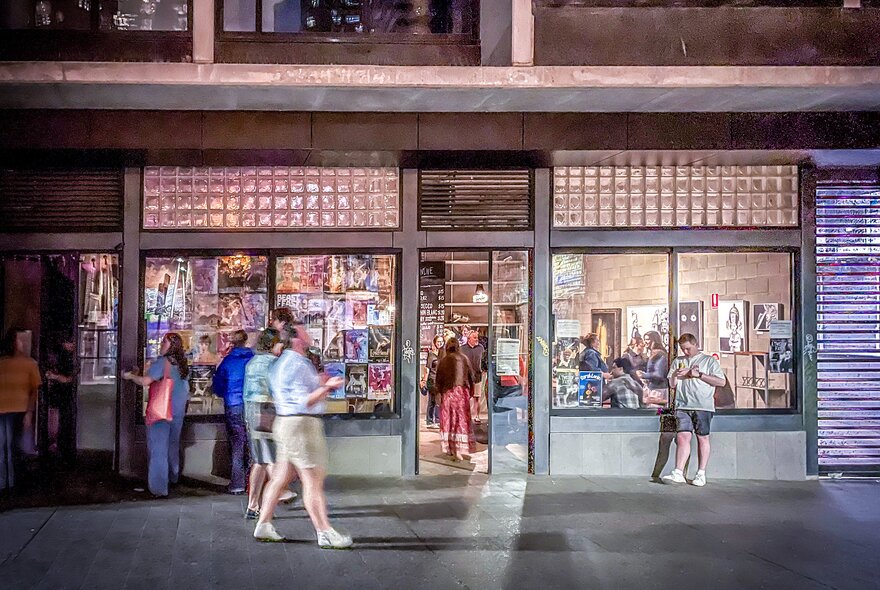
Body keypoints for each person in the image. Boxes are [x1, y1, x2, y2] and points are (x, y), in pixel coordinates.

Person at [255, 324, 349, 548]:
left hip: (286, 423)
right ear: (297, 339)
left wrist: (321, 384)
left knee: (280, 477)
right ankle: (324, 531)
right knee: (312, 481)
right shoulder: (297, 364)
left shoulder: (283, 363)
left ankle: (264, 524)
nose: (309, 332)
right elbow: (303, 401)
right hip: (301, 425)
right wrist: (327, 387)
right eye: (303, 330)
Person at [123, 333, 190, 497]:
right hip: (178, 411)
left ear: (171, 346)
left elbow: (146, 381)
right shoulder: (182, 366)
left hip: (161, 412)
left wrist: (130, 376)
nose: (161, 344)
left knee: (158, 449)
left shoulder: (162, 363)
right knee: (173, 446)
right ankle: (173, 478)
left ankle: (159, 488)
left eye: (164, 342)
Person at [662, 333, 726, 487]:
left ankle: (701, 472)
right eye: (683, 349)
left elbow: (721, 381)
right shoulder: (678, 361)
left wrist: (698, 375)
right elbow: (672, 384)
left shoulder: (708, 361)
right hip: (683, 404)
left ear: (696, 344)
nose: (686, 352)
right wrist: (676, 375)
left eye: (688, 349)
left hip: (702, 405)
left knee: (702, 437)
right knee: (683, 436)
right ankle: (678, 471)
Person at [242, 328, 287, 519]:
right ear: (273, 344)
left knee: (259, 460)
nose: (282, 347)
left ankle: (253, 505)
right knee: (270, 457)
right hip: (266, 410)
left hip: (251, 411)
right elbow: (279, 390)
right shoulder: (273, 363)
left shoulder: (253, 362)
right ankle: (282, 489)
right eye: (280, 343)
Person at [212, 329, 254, 495]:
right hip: (250, 404)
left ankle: (237, 484)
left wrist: (225, 394)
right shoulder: (252, 359)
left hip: (233, 404)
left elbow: (218, 386)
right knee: (251, 443)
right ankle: (253, 482)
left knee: (237, 443)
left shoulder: (227, 362)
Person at [0, 328, 41, 492]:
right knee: (7, 447)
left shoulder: (29, 364)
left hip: (17, 409)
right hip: (11, 408)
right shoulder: (25, 363)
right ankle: (8, 483)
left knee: (9, 446)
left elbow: (35, 390)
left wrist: (29, 412)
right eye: (19, 340)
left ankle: (9, 482)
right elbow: (35, 389)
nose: (22, 343)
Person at [435, 338, 476, 462]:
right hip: (462, 394)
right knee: (461, 422)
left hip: (448, 394)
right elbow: (471, 377)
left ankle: (451, 448)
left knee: (449, 422)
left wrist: (439, 394)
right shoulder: (464, 359)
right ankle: (459, 449)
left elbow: (438, 381)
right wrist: (471, 392)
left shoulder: (443, 361)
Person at [45, 337, 79, 465]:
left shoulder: (66, 358)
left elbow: (69, 379)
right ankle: (58, 449)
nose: (73, 345)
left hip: (62, 396)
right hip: (61, 396)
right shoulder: (65, 357)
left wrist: (54, 377)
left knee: (61, 422)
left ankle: (58, 449)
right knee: (59, 422)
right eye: (70, 342)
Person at [461, 331, 486, 425]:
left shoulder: (480, 348)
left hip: (477, 377)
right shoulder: (462, 349)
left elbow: (484, 360)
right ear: (469, 339)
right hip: (466, 378)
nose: (477, 339)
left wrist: (484, 368)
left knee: (477, 397)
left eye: (477, 337)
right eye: (474, 338)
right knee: (466, 398)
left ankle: (477, 416)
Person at [639, 330, 669, 407]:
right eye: (644, 339)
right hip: (652, 388)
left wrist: (644, 375)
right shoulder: (653, 353)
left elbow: (659, 374)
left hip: (658, 390)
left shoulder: (659, 354)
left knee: (655, 412)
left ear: (654, 340)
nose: (645, 342)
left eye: (648, 339)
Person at [421, 335, 445, 428]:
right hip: (432, 379)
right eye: (438, 342)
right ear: (435, 342)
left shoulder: (443, 353)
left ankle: (437, 420)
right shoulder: (431, 354)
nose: (440, 343)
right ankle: (430, 420)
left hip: (441, 380)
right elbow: (427, 369)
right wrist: (424, 380)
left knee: (439, 400)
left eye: (441, 342)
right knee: (432, 401)